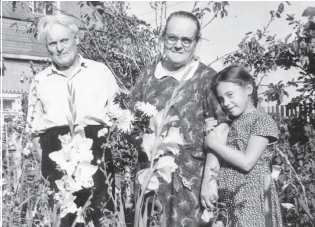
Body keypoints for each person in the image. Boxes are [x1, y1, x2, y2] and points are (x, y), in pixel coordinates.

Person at [129, 11, 230, 226]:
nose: (178, 45)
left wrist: (210, 182)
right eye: (172, 38)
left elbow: (221, 129)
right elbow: (129, 123)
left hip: (191, 183)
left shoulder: (208, 78)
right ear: (162, 37)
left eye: (186, 40)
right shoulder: (147, 76)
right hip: (151, 181)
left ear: (196, 43)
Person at [26, 14, 119, 227]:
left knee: (102, 217)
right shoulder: (39, 81)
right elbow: (34, 131)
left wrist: (101, 146)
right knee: (63, 220)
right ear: (47, 47)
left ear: (76, 39)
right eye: (53, 43)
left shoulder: (100, 71)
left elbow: (117, 115)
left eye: (64, 40)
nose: (59, 48)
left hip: (95, 153)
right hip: (56, 156)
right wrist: (47, 165)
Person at [203, 65, 283, 226]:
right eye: (221, 99)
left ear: (248, 89)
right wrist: (210, 133)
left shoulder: (261, 120)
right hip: (231, 198)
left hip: (252, 199)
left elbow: (247, 162)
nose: (226, 103)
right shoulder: (232, 123)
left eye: (230, 95)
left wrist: (212, 143)